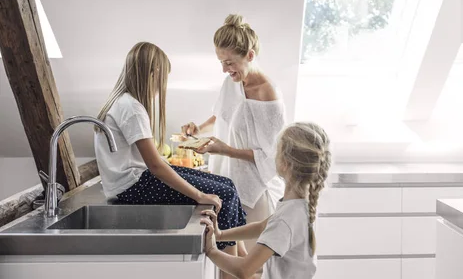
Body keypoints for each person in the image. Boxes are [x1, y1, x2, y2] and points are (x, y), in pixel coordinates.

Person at [93, 42, 246, 279]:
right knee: (223, 195)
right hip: (133, 188)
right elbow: (155, 166)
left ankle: (242, 265)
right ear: (151, 73)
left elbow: (154, 163)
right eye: (162, 77)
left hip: (134, 182)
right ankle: (234, 274)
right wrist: (199, 196)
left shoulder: (124, 102)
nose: (162, 85)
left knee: (227, 185)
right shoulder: (131, 108)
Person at [181, 14, 285, 250]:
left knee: (250, 264)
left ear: (249, 55)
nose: (224, 69)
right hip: (229, 182)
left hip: (256, 190)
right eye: (221, 62)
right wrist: (198, 128)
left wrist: (225, 150)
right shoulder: (233, 82)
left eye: (229, 62)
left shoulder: (268, 93)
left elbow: (271, 155)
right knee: (230, 258)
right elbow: (223, 115)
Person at [200, 122, 332, 279]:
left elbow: (244, 270)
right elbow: (262, 226)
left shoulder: (286, 220)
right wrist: (221, 235)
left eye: (277, 151)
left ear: (285, 164)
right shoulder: (301, 205)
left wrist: (211, 250)